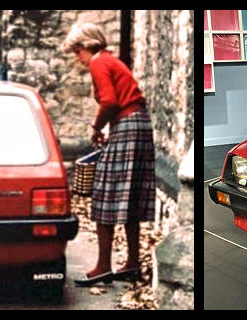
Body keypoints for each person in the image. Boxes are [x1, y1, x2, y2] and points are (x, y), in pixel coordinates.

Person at [61, 22, 155, 286]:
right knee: (130, 196)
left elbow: (110, 101)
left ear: (85, 46)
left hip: (127, 125)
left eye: (77, 51)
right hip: (136, 124)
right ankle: (133, 262)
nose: (77, 58)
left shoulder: (99, 63)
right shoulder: (112, 60)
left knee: (105, 196)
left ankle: (103, 267)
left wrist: (95, 127)